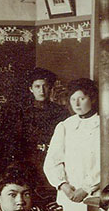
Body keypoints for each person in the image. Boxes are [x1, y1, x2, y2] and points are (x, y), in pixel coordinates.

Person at [44, 77, 101, 211]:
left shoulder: (103, 125)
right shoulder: (65, 126)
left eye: (82, 98)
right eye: (73, 99)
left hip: (93, 191)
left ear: (92, 99)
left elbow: (104, 162)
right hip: (69, 195)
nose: (77, 103)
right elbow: (52, 161)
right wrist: (63, 185)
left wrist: (86, 188)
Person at [13, 67, 68, 196]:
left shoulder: (61, 112)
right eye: (37, 86)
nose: (41, 90)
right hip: (31, 160)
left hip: (54, 158)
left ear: (50, 88)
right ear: (31, 89)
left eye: (45, 86)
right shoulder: (23, 113)